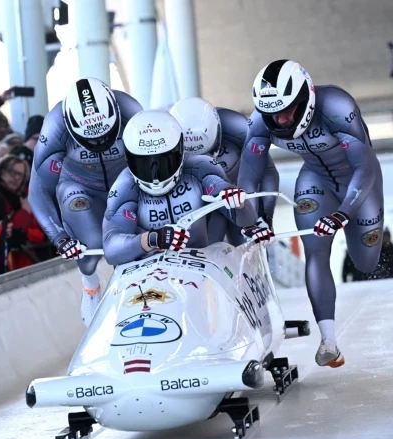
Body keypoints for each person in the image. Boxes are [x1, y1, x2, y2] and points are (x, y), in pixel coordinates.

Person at [238, 59, 384, 368]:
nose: (280, 119)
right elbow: (249, 178)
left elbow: (364, 165)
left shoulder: (337, 106)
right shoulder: (260, 122)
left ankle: (356, 235)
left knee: (366, 262)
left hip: (359, 181)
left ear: (306, 98)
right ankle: (328, 341)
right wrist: (255, 220)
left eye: (288, 109)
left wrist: (344, 213)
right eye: (272, 114)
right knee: (315, 250)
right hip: (315, 178)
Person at [28, 77, 143, 325]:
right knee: (90, 243)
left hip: (124, 183)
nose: (100, 145)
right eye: (92, 141)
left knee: (129, 244)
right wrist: (59, 237)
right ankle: (90, 283)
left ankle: (134, 290)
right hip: (79, 186)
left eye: (106, 136)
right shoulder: (54, 127)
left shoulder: (132, 111)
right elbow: (37, 192)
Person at [102, 110, 255, 267]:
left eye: (163, 162)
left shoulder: (201, 166)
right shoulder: (124, 186)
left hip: (204, 264)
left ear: (180, 151)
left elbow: (246, 218)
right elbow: (111, 248)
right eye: (143, 164)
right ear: (129, 159)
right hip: (149, 271)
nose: (155, 176)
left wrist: (236, 201)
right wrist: (151, 239)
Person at [170, 97, 279, 245]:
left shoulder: (239, 127)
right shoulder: (165, 134)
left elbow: (267, 171)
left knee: (248, 245)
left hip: (240, 194)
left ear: (218, 133)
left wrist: (265, 216)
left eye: (206, 153)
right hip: (205, 197)